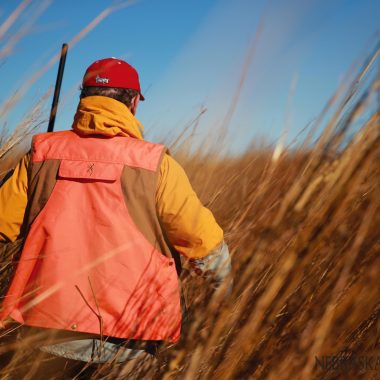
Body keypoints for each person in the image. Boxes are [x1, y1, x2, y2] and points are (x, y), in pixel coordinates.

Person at [0, 58, 231, 372]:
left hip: (43, 333)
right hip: (130, 342)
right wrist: (224, 296)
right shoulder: (155, 164)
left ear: (84, 97)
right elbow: (205, 245)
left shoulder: (40, 155)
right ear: (133, 102)